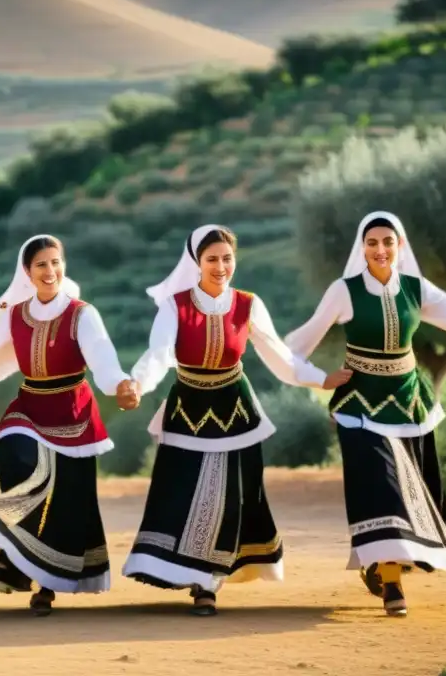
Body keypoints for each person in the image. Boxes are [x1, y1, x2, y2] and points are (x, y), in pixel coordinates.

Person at [284, 210, 446, 617]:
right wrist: (320, 378)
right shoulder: (344, 290)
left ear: (400, 246)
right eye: (371, 243)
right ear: (362, 248)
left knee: (413, 489)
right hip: (359, 405)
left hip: (408, 400)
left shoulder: (415, 288)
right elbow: (298, 343)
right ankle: (391, 582)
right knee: (382, 484)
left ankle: (383, 563)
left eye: (388, 242)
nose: (380, 250)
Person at [121, 224, 350, 615]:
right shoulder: (174, 305)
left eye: (227, 258)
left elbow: (279, 354)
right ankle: (191, 573)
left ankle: (208, 582)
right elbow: (159, 353)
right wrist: (137, 383)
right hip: (188, 411)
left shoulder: (248, 304)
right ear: (196, 263)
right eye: (212, 259)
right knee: (183, 492)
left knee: (229, 497)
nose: (221, 266)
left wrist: (320, 378)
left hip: (235, 411)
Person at [0, 234, 139, 615]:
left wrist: (120, 385)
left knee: (69, 500)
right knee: (15, 453)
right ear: (27, 272)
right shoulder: (15, 315)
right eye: (41, 264)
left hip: (73, 413)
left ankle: (46, 584)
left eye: (56, 262)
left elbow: (103, 360)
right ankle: (13, 541)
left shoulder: (82, 314)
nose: (50, 271)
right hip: (29, 407)